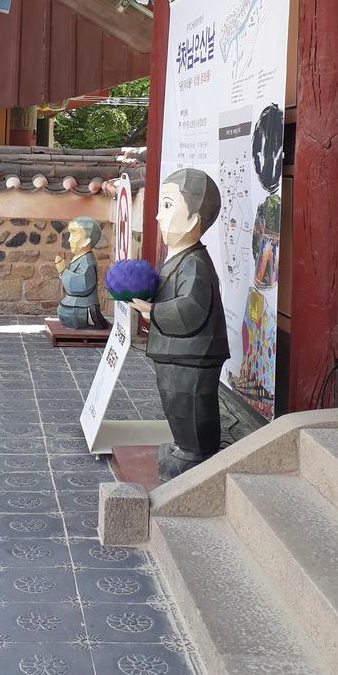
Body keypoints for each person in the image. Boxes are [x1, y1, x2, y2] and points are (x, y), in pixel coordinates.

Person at [132, 169, 231, 480]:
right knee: (174, 402)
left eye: (168, 205)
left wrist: (154, 311)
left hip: (192, 354)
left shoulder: (196, 263)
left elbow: (192, 308)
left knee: (191, 404)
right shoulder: (178, 257)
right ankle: (183, 446)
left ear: (192, 220)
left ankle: (196, 454)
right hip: (176, 352)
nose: (159, 217)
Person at [55, 217, 108, 330]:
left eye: (74, 235)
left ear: (86, 241)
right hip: (73, 306)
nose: (69, 240)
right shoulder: (79, 258)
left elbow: (81, 287)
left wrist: (63, 271)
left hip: (82, 309)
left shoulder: (87, 261)